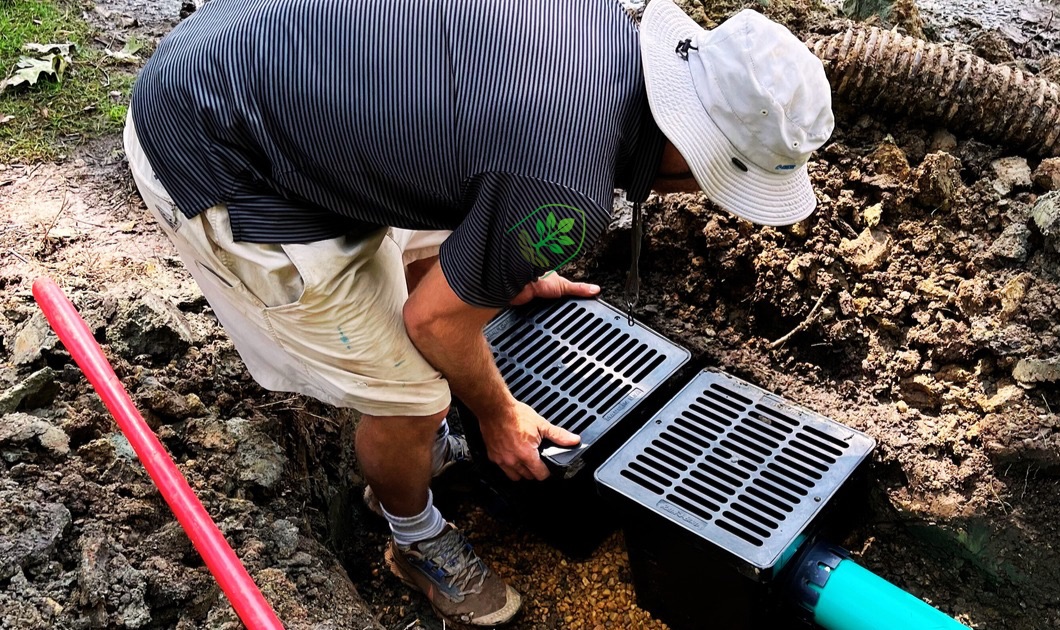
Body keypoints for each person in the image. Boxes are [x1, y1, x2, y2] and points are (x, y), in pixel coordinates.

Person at [123, 0, 833, 625]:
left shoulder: (592, 21)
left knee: (443, 300)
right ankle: (413, 533)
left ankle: (418, 452)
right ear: (685, 145)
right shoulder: (565, 191)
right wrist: (496, 416)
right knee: (415, 398)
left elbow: (472, 131)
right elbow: (433, 322)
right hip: (214, 147)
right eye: (715, 178)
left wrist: (504, 260)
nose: (697, 194)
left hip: (241, 47)